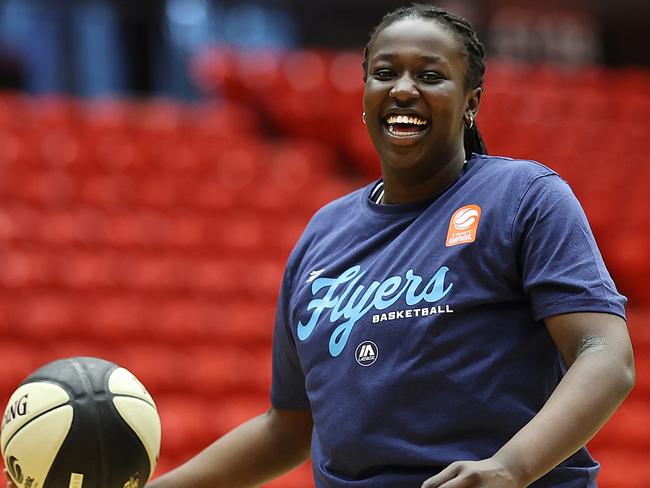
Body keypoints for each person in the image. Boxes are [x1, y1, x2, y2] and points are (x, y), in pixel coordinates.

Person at [4, 4, 634, 488]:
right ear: (364, 99)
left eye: (432, 76)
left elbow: (605, 352)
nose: (405, 89)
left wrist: (513, 468)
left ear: (470, 103)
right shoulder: (323, 235)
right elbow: (290, 427)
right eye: (385, 73)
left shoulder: (523, 195)